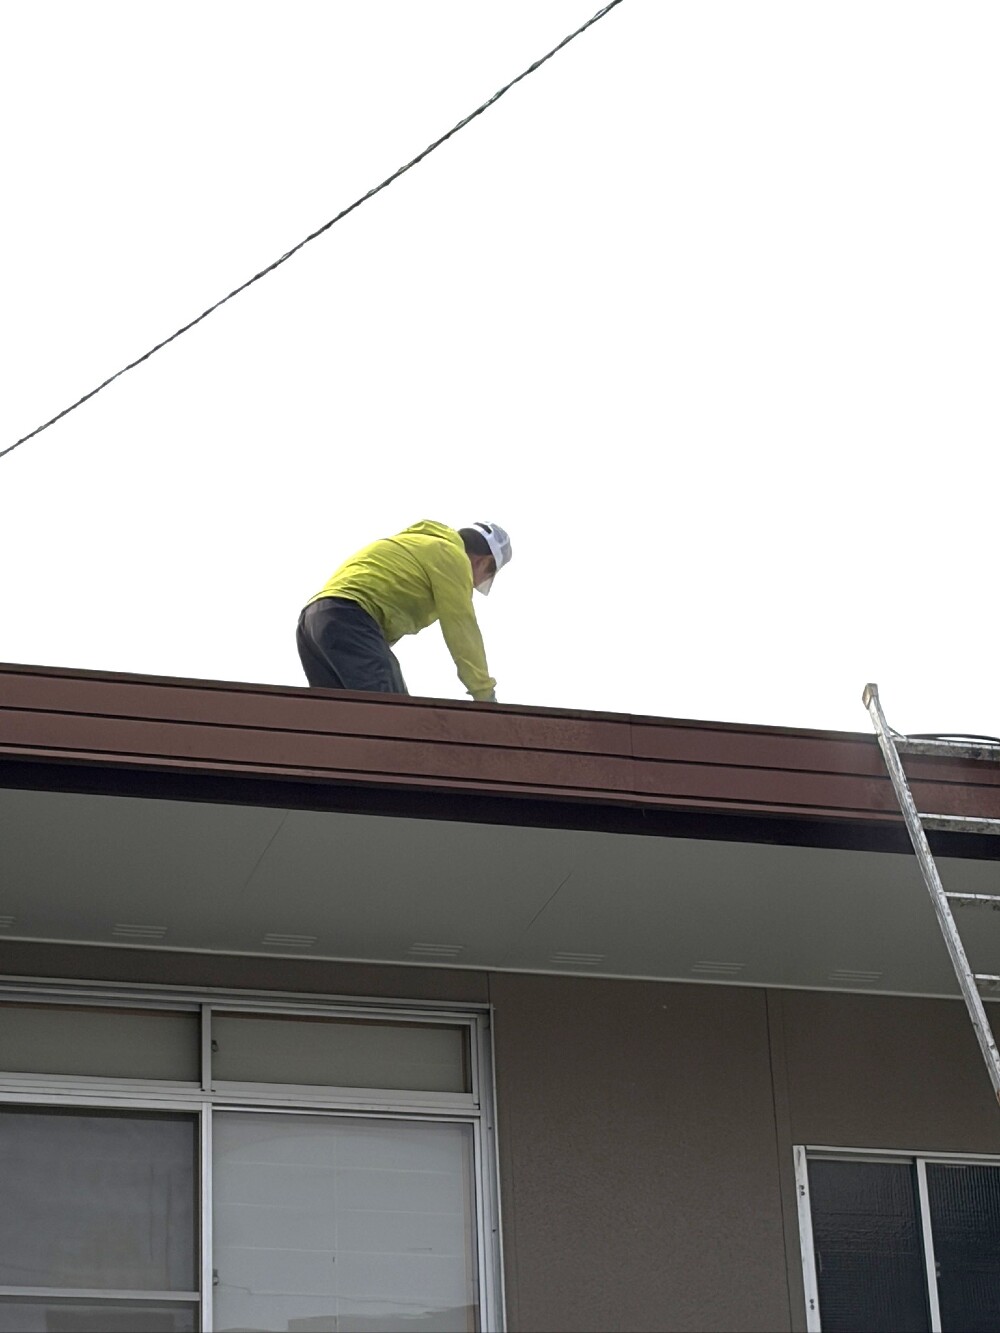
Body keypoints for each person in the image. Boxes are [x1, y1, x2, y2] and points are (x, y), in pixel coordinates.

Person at [296, 520, 511, 701]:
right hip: (350, 616)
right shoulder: (451, 556)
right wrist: (484, 694)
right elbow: (461, 628)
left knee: (335, 720)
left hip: (313, 623)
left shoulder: (419, 543)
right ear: (484, 562)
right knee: (395, 715)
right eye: (486, 576)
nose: (474, 584)